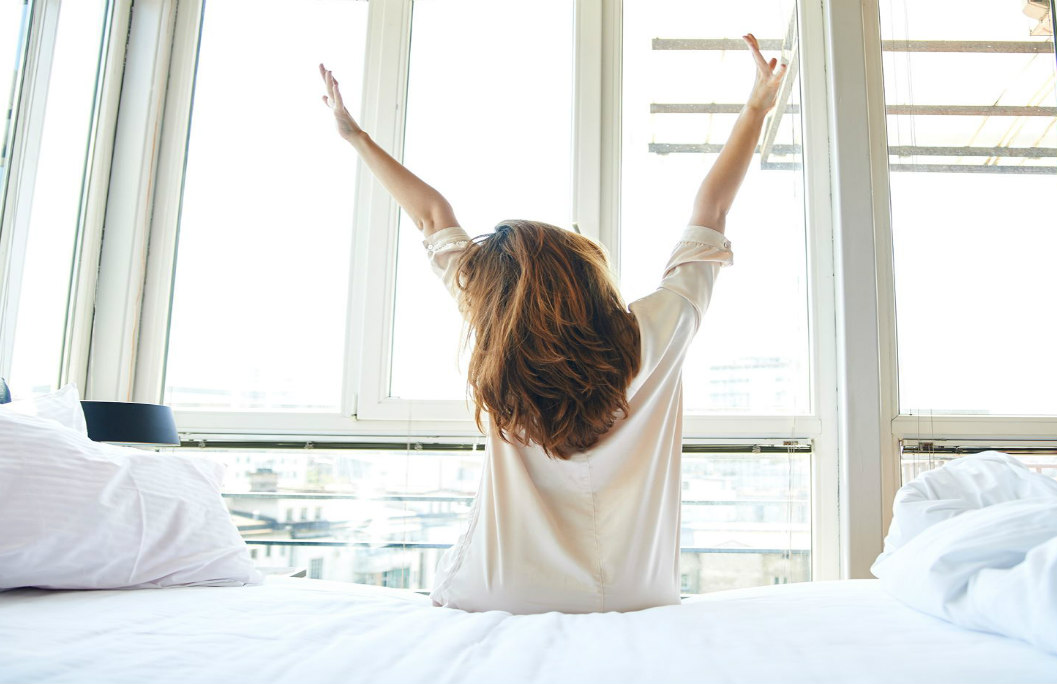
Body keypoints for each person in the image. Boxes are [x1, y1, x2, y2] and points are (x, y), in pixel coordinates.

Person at [319, 34, 788, 614]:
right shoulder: (656, 331)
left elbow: (432, 215)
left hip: (504, 590)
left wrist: (355, 136)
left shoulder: (497, 335)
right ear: (587, 271)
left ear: (499, 294)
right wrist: (754, 110)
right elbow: (711, 211)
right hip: (637, 592)